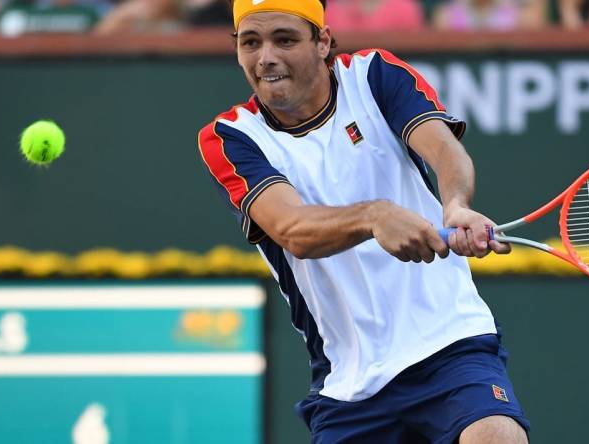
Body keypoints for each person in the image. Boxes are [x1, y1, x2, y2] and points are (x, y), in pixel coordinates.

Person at [197, 0, 530, 442]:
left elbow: (444, 150)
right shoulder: (230, 136)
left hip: (452, 345)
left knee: (497, 435)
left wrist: (455, 204)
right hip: (350, 384)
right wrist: (375, 217)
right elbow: (292, 230)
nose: (266, 58)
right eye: (250, 42)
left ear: (323, 42)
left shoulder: (375, 74)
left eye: (285, 39)